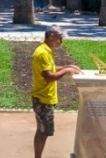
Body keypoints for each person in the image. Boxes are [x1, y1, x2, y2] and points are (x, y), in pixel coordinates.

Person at [31, 25, 81, 158]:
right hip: (43, 99)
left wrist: (66, 66)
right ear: (52, 36)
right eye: (60, 38)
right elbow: (49, 76)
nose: (61, 41)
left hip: (45, 98)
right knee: (43, 132)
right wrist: (66, 71)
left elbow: (50, 68)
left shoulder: (45, 50)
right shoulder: (43, 53)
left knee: (43, 131)